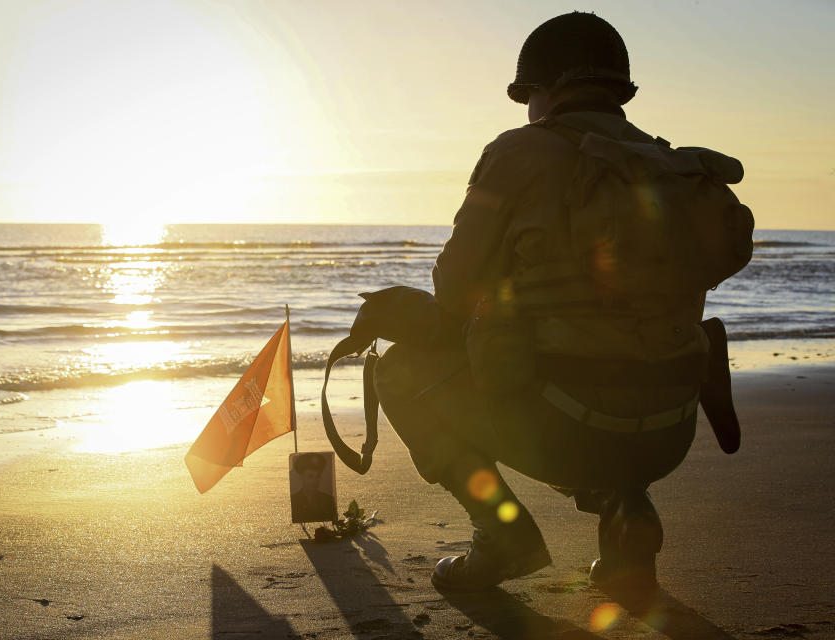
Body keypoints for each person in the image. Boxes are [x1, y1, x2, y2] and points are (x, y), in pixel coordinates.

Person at [373, 11, 748, 592]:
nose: (528, 111)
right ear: (618, 90)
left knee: (398, 371)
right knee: (615, 350)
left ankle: (502, 536)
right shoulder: (675, 168)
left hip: (565, 427)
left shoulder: (518, 153)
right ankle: (627, 520)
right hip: (669, 433)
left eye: (528, 96)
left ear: (546, 90)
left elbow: (451, 288)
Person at [290, 453, 337, 523]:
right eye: (310, 476)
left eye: (318, 476)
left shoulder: (328, 500)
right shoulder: (294, 500)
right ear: (301, 477)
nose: (315, 481)